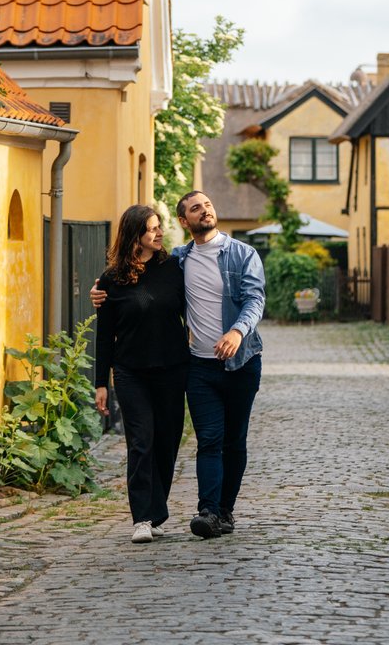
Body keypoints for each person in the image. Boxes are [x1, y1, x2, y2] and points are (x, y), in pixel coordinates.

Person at [93, 190, 265, 539]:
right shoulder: (180, 259)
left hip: (232, 364)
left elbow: (254, 298)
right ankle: (205, 512)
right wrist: (101, 291)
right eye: (195, 208)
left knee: (229, 441)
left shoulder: (233, 256)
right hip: (194, 367)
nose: (206, 210)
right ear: (185, 222)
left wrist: (237, 331)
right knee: (205, 439)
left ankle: (224, 510)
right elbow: (120, 302)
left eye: (208, 204)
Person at [93, 204, 190, 544]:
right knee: (141, 441)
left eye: (159, 226)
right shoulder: (111, 280)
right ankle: (142, 518)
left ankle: (157, 510)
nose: (159, 232)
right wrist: (100, 383)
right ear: (136, 235)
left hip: (172, 370)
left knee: (166, 442)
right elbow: (104, 336)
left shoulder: (174, 268)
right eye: (152, 228)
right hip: (131, 372)